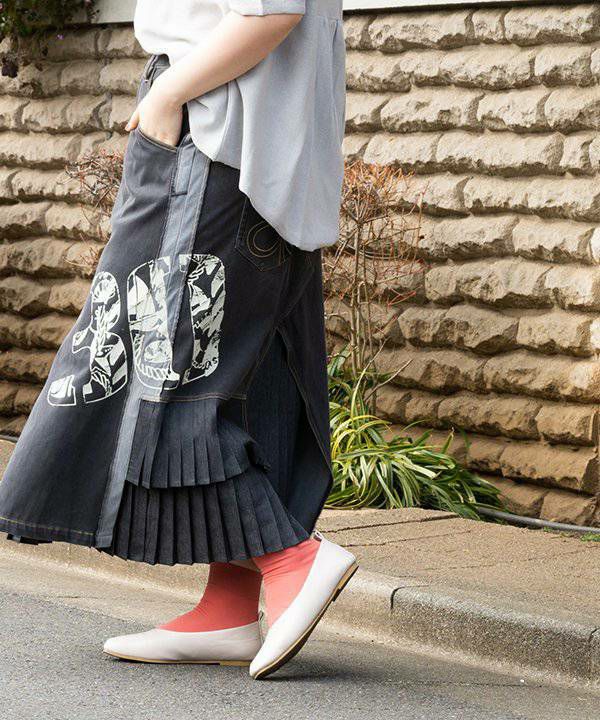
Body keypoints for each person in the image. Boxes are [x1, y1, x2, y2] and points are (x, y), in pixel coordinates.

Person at [0, 0, 355, 679]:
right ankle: (229, 606)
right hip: (248, 139)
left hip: (214, 133)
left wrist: (169, 93)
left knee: (155, 377)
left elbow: (270, 11)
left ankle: (291, 560)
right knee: (250, 379)